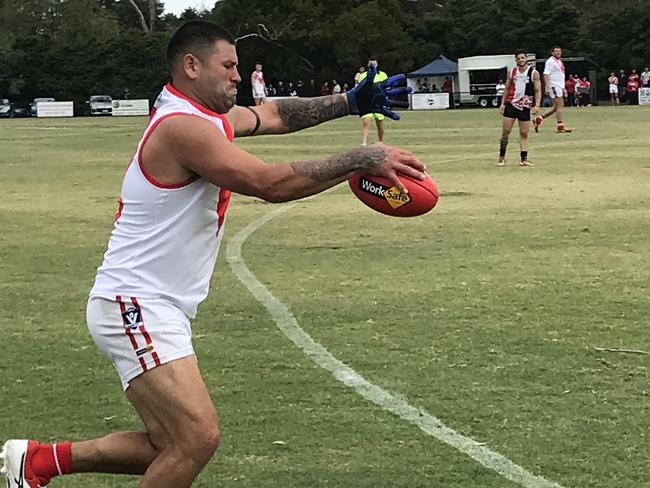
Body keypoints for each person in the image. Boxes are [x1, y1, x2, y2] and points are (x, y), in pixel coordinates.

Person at [1, 20, 421, 488]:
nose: (238, 76)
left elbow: (277, 114)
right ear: (191, 66)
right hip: (135, 302)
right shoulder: (182, 128)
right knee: (198, 437)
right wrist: (359, 158)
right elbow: (269, 184)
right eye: (229, 66)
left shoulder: (208, 117)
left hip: (154, 303)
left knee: (169, 445)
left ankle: (39, 461)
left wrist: (348, 102)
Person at [497, 50, 541, 167]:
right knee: (506, 132)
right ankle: (502, 157)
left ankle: (524, 158)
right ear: (516, 60)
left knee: (524, 133)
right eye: (518, 58)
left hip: (525, 106)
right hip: (511, 104)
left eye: (523, 58)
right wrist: (503, 104)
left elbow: (537, 90)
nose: (521, 60)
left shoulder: (533, 73)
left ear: (526, 58)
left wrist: (537, 105)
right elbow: (506, 88)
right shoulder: (512, 72)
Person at [535, 46, 571, 133]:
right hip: (554, 86)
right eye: (556, 51)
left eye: (559, 51)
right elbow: (546, 74)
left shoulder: (559, 61)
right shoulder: (550, 62)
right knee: (560, 106)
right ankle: (560, 126)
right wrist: (547, 86)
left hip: (559, 86)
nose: (558, 53)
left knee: (555, 107)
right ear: (552, 53)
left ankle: (539, 118)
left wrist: (563, 87)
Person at [358, 56, 390, 147]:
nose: (373, 65)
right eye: (371, 63)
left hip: (378, 102)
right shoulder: (363, 75)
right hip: (367, 102)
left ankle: (380, 141)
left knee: (379, 124)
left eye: (375, 63)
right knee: (366, 122)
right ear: (368, 65)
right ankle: (364, 142)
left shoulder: (383, 75)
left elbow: (387, 87)